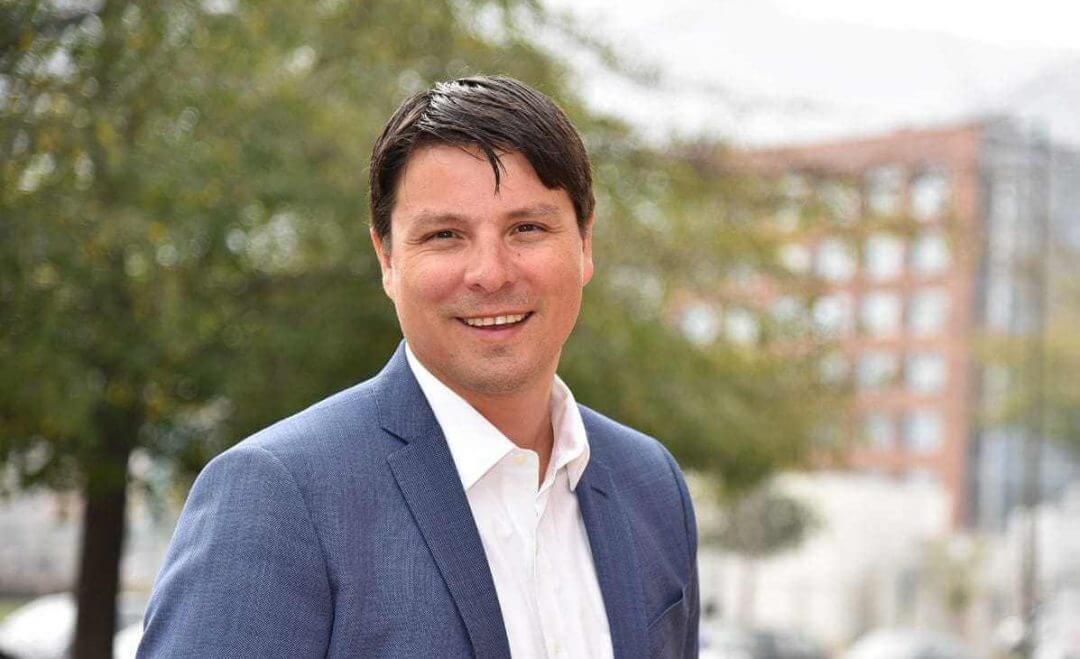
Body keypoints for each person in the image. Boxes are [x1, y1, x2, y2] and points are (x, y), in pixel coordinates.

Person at [138, 75, 698, 658]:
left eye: (527, 228)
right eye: (445, 235)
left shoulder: (651, 485)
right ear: (387, 258)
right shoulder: (278, 498)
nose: (490, 273)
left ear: (584, 243)